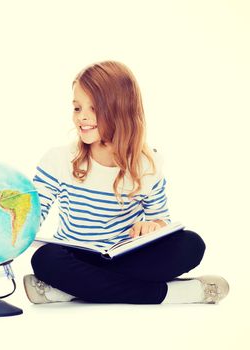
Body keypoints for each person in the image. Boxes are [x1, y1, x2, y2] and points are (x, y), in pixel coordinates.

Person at [23, 60, 230, 305]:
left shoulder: (147, 165)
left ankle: (68, 291)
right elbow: (33, 216)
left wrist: (152, 226)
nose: (83, 118)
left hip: (126, 257)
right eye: (77, 108)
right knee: (45, 259)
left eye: (94, 108)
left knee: (191, 245)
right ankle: (170, 295)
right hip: (77, 257)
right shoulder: (58, 159)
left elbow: (160, 220)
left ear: (120, 109)